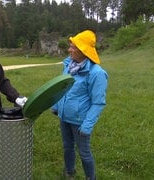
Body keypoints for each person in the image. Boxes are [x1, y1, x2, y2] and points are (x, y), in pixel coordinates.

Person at [51, 30, 108, 180]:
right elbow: (62, 87)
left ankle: (91, 177)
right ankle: (69, 173)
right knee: (67, 147)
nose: (69, 50)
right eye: (70, 46)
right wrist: (57, 107)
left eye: (73, 47)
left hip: (80, 121)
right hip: (64, 117)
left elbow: (98, 102)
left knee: (84, 152)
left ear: (84, 51)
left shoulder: (96, 73)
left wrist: (87, 125)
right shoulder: (69, 65)